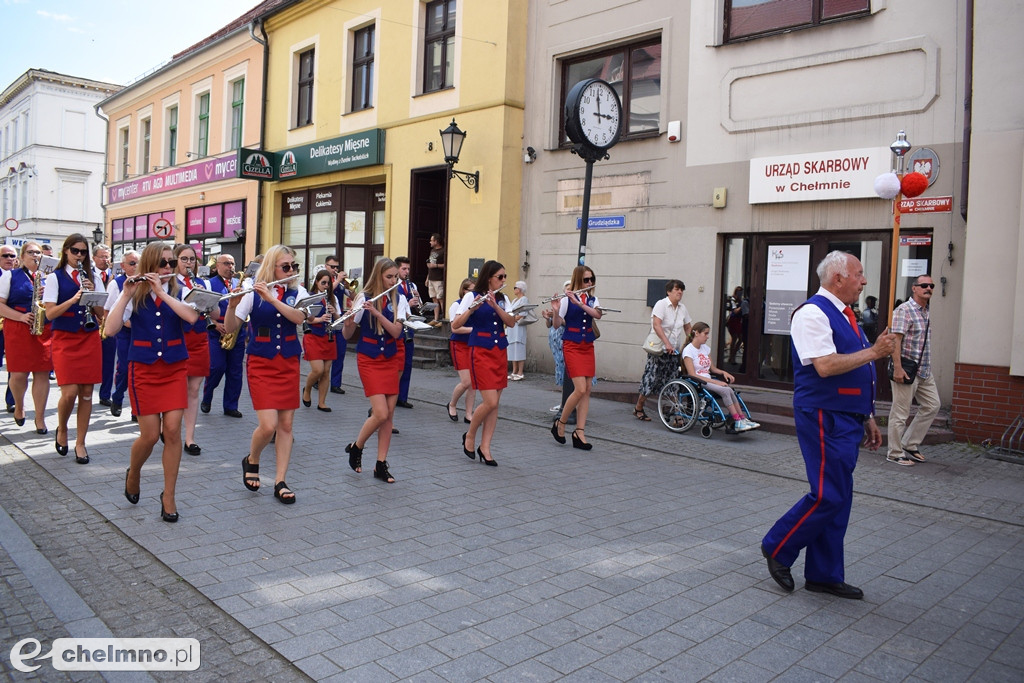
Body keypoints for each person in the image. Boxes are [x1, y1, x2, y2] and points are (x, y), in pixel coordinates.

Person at [761, 251, 896, 600]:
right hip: (823, 413)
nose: (864, 281)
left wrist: (867, 416)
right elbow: (825, 365)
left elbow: (854, 369)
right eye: (859, 274)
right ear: (838, 278)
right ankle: (778, 546)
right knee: (828, 494)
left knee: (840, 498)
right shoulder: (812, 314)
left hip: (845, 415)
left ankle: (824, 573)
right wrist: (875, 352)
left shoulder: (845, 315)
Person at [105, 242, 199, 523]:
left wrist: (162, 291)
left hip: (173, 367)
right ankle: (133, 472)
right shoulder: (130, 290)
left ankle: (168, 495)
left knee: (172, 431)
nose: (168, 268)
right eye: (162, 263)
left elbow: (192, 318)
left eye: (171, 263)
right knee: (148, 435)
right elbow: (110, 330)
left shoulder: (180, 289)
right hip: (144, 369)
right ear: (149, 265)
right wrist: (125, 295)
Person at [225, 245, 307, 504]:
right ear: (271, 267)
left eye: (294, 266)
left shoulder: (298, 291)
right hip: (261, 363)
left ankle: (281, 480)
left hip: (289, 363)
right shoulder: (252, 289)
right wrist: (232, 305)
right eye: (286, 267)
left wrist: (272, 298)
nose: (291, 271)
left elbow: (298, 318)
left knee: (286, 426)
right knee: (268, 425)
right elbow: (230, 328)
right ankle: (252, 458)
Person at [343, 258, 409, 483]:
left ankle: (381, 463)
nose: (393, 281)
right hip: (369, 359)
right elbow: (347, 334)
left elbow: (397, 332)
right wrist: (349, 321)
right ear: (379, 276)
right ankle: (357, 447)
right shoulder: (364, 296)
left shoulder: (398, 299)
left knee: (388, 415)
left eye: (396, 277)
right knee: (380, 412)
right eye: (389, 277)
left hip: (389, 359)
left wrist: (378, 313)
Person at [43, 233, 106, 464]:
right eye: (75, 251)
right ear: (66, 251)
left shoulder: (93, 276)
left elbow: (101, 316)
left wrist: (92, 295)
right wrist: (73, 299)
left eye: (83, 252)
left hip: (88, 338)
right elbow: (50, 314)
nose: (79, 256)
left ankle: (81, 442)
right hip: (65, 339)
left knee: (87, 395)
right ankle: (62, 429)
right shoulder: (55, 278)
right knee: (69, 393)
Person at [451, 260, 516, 466]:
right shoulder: (472, 295)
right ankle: (470, 436)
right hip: (480, 351)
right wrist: (473, 308)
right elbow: (455, 325)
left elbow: (511, 322)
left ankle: (485, 446)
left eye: (505, 277)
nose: (504, 280)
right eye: (500, 277)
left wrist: (495, 305)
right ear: (489, 277)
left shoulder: (503, 298)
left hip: (499, 351)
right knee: (490, 402)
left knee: (495, 405)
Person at [0, 241, 53, 433]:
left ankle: (40, 418)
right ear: (22, 257)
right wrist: (21, 317)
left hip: (43, 328)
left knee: (42, 373)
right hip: (18, 326)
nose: (35, 256)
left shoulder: (48, 278)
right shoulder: (10, 276)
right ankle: (19, 406)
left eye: (38, 253)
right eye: (31, 252)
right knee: (19, 373)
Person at [888, 274, 941, 466]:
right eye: (924, 285)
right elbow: (896, 340)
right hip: (907, 369)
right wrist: (898, 368)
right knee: (900, 412)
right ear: (914, 288)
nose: (929, 288)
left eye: (931, 285)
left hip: (924, 370)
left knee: (932, 405)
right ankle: (894, 452)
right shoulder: (905, 310)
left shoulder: (925, 311)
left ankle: (910, 443)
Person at [550, 266, 602, 450]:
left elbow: (597, 314)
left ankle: (580, 432)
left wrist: (580, 302)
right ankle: (561, 422)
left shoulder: (592, 300)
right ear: (578, 280)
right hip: (571, 345)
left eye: (591, 279)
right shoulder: (566, 299)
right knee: (579, 388)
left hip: (587, 345)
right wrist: (556, 310)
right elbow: (556, 325)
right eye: (586, 280)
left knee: (587, 388)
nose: (589, 283)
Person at [681, 322, 760, 433]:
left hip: (708, 380)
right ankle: (737, 421)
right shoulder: (688, 350)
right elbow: (692, 374)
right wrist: (716, 382)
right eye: (706, 333)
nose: (708, 336)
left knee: (730, 390)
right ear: (697, 333)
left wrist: (723, 373)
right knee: (725, 391)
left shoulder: (705, 348)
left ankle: (742, 419)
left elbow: (712, 369)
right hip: (698, 382)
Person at [634, 279, 692, 421]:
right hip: (659, 349)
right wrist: (667, 343)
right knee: (651, 379)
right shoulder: (661, 305)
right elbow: (657, 325)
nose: (680, 292)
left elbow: (688, 327)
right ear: (669, 291)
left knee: (673, 382)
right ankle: (639, 407)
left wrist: (692, 343)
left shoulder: (682, 308)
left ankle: (677, 414)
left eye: (681, 290)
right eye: (677, 289)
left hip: (674, 352)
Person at [173, 244, 210, 455]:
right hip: (179, 337)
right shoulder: (170, 282)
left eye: (192, 259)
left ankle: (190, 437)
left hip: (199, 337)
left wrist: (209, 300)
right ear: (176, 260)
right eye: (184, 259)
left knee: (194, 389)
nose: (189, 263)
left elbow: (214, 313)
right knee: (177, 388)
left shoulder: (202, 282)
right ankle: (170, 430)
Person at [202, 253, 246, 418]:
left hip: (237, 331)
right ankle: (207, 397)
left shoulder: (239, 283)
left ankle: (230, 406)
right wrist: (214, 324)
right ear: (217, 266)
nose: (230, 267)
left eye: (232, 263)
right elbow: (202, 308)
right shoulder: (209, 284)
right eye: (226, 264)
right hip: (216, 331)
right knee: (216, 367)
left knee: (235, 371)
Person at [104, 251, 140, 417]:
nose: (135, 266)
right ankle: (118, 396)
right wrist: (122, 322)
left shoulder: (146, 282)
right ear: (123, 266)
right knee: (125, 368)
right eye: (132, 263)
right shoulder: (116, 284)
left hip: (141, 331)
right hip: (125, 332)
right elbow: (108, 310)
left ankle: (136, 409)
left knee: (138, 371)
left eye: (138, 263)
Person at [301, 267, 338, 412]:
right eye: (323, 283)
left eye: (328, 283)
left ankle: (322, 402)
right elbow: (304, 318)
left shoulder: (331, 298)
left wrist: (335, 314)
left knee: (326, 371)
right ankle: (307, 389)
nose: (326, 286)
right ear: (316, 282)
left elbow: (339, 319)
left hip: (328, 336)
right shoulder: (309, 297)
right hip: (313, 335)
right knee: (318, 370)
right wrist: (320, 319)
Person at [446, 278, 476, 423]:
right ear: (464, 291)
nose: (473, 294)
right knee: (466, 381)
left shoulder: (477, 306)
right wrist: (473, 330)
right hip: (459, 344)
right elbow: (454, 328)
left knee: (473, 383)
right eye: (470, 291)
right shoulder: (456, 305)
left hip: (473, 345)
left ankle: (469, 413)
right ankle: (452, 404)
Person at [394, 256, 420, 409]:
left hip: (409, 327)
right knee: (396, 364)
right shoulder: (392, 285)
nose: (406, 271)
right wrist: (407, 304)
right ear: (397, 269)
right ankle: (393, 394)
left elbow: (417, 309)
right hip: (397, 326)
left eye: (408, 269)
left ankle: (402, 397)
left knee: (407, 363)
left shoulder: (411, 285)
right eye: (404, 268)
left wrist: (417, 301)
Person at [541, 280, 570, 413]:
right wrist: (548, 317)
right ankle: (565, 401)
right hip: (556, 345)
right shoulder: (561, 302)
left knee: (567, 373)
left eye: (571, 288)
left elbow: (568, 323)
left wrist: (558, 315)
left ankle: (567, 402)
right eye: (567, 288)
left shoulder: (573, 303)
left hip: (565, 343)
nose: (569, 291)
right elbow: (551, 325)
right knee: (561, 371)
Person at [324, 255, 351, 394]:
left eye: (337, 267)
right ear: (326, 266)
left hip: (338, 318)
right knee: (325, 354)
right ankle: (319, 380)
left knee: (340, 352)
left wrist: (349, 287)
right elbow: (325, 292)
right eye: (332, 266)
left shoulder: (340, 283)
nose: (335, 269)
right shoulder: (322, 279)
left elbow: (353, 296)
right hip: (326, 319)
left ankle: (336, 384)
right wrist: (338, 279)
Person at [93, 246, 116, 407]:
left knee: (109, 360)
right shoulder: (88, 274)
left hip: (108, 322)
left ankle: (105, 394)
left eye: (107, 257)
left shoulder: (113, 276)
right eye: (101, 257)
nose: (105, 260)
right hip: (93, 321)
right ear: (94, 258)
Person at [0, 244, 15, 414]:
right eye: (5, 256)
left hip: (13, 326)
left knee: (14, 366)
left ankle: (11, 400)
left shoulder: (19, 276)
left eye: (12, 256)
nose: (9, 259)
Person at [506, 280, 529, 380]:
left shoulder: (524, 299)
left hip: (518, 327)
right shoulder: (514, 300)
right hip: (512, 327)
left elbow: (523, 314)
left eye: (515, 288)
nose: (514, 290)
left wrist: (511, 319)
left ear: (519, 289)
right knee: (512, 349)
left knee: (519, 348)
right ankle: (514, 371)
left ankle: (520, 372)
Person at [425, 233, 445, 326]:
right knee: (434, 298)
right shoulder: (432, 251)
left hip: (439, 278)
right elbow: (430, 266)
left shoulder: (443, 251)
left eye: (431, 240)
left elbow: (446, 265)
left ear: (436, 241)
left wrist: (435, 265)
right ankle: (436, 319)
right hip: (431, 278)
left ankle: (443, 318)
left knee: (440, 298)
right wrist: (427, 278)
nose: (430, 242)